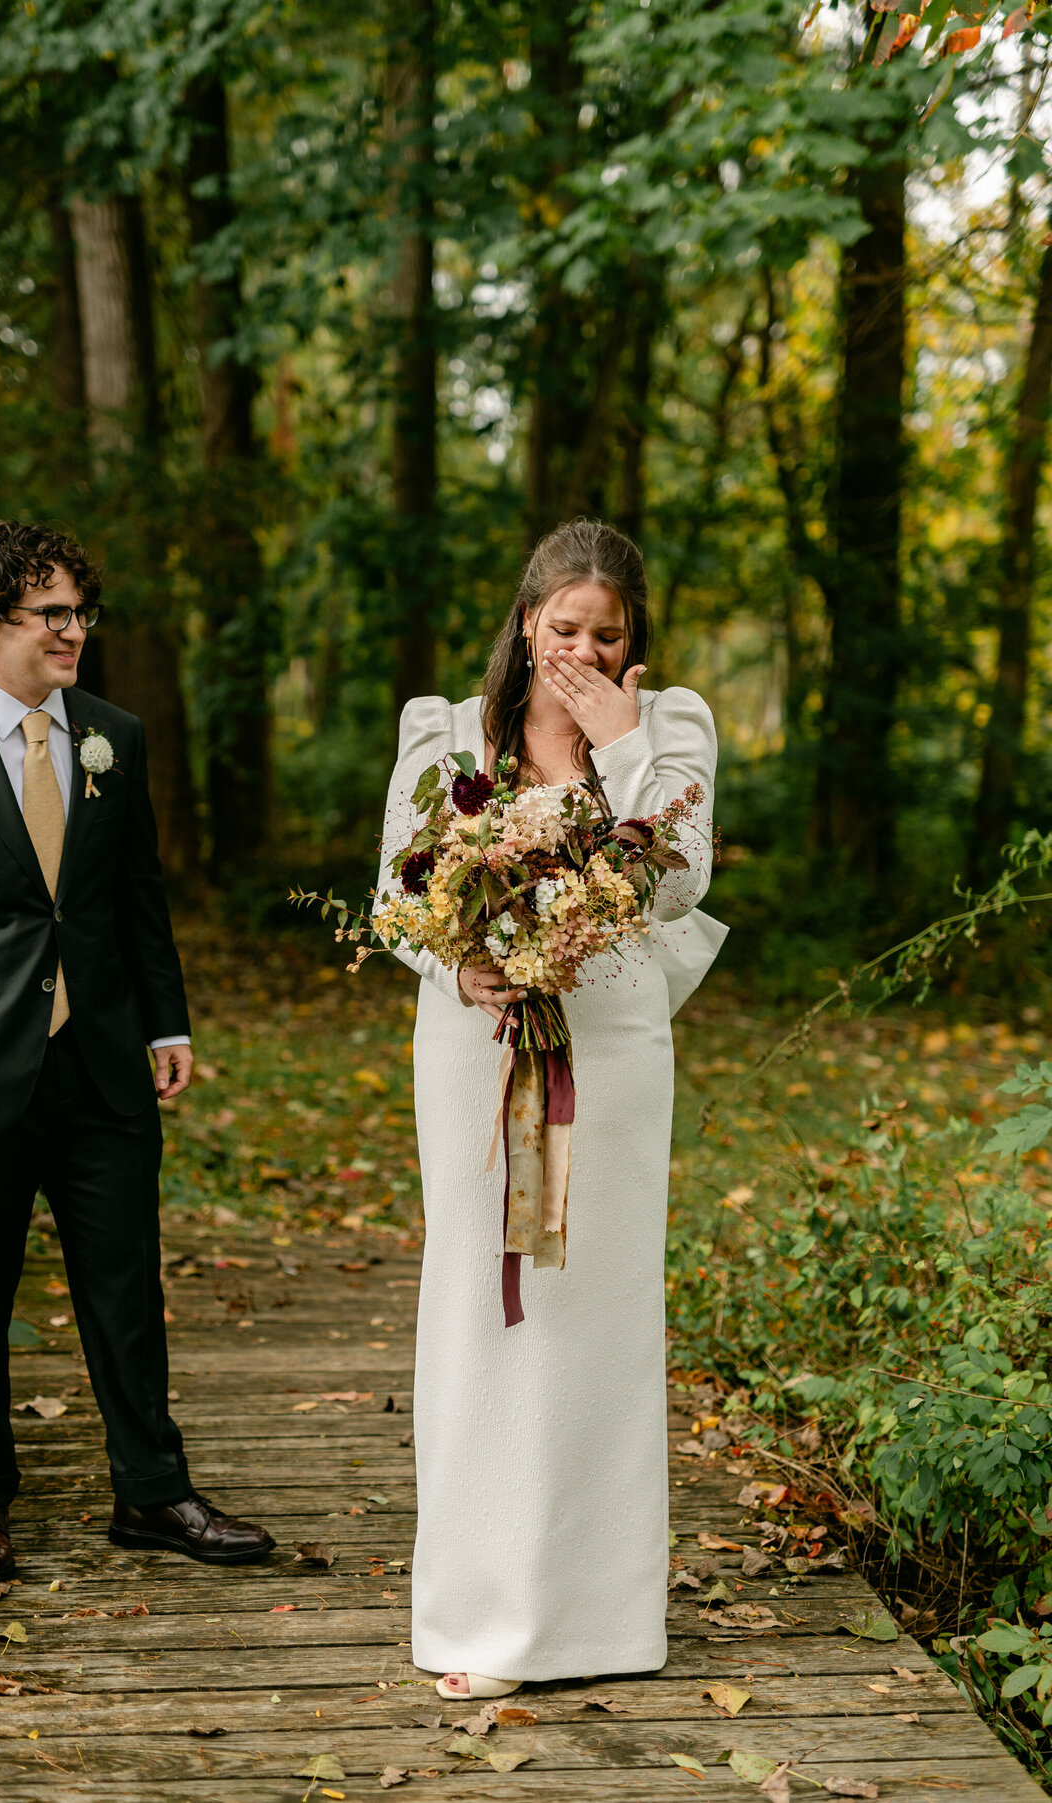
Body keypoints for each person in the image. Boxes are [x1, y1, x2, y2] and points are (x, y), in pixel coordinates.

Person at [0, 519, 274, 1583]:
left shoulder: (113, 738)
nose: (74, 630)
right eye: (53, 612)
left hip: (100, 1062)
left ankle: (153, 1490)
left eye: (80, 611)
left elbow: (138, 895)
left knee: (125, 1284)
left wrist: (167, 1023)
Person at [376, 518, 725, 1700]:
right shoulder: (444, 733)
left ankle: (599, 1623)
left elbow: (680, 881)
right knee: (484, 1300)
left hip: (615, 1045)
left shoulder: (671, 730)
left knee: (595, 1310)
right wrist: (452, 962)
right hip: (474, 1045)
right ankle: (475, 1611)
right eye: (563, 625)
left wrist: (625, 749)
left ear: (633, 642)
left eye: (606, 632)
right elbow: (392, 891)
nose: (581, 646)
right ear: (528, 623)